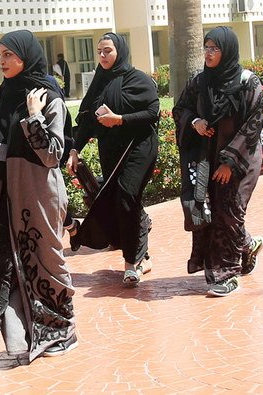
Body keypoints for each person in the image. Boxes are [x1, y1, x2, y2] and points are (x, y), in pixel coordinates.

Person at [0, 29, 76, 369]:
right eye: (0, 56)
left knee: (46, 264)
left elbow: (52, 154)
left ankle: (61, 331)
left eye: (9, 55)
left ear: (26, 55)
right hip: (5, 194)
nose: (3, 62)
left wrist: (35, 116)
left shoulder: (47, 95)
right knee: (2, 264)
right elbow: (6, 148)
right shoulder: (6, 95)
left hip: (38, 195)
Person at [172, 26, 263, 297]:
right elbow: (180, 109)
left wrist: (229, 162)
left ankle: (226, 275)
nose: (209, 53)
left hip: (241, 158)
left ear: (228, 50)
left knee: (229, 210)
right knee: (210, 210)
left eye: (215, 48)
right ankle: (246, 246)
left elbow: (253, 124)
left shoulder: (248, 82)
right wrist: (195, 122)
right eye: (206, 47)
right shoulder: (199, 80)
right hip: (204, 158)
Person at [66, 32, 159, 285]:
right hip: (111, 151)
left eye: (108, 50)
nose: (103, 56)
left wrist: (119, 119)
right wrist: (75, 150)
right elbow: (86, 122)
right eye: (99, 52)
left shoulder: (138, 79)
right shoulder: (99, 83)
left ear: (119, 51)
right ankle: (144, 252)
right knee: (123, 200)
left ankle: (132, 264)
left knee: (127, 194)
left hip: (139, 147)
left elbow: (152, 113)